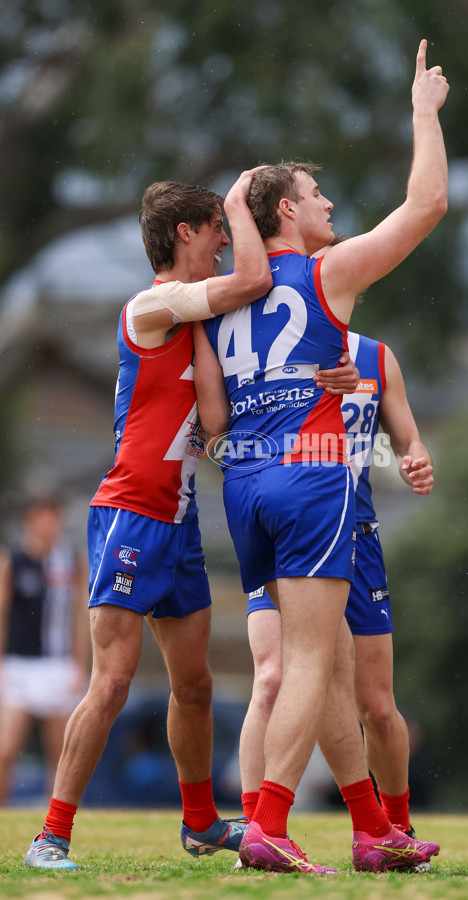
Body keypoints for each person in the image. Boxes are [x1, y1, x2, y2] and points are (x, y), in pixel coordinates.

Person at [199, 39, 448, 873]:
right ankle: (266, 822)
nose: (330, 202)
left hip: (243, 485)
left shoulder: (220, 298)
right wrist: (422, 113)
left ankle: (373, 829)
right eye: (315, 195)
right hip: (311, 480)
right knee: (311, 662)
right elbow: (426, 206)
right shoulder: (326, 274)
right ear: (285, 216)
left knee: (331, 665)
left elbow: (210, 414)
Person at [21, 168, 278, 871]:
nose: (225, 242)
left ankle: (199, 824)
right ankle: (51, 836)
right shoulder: (149, 306)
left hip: (180, 525)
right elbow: (253, 280)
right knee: (111, 682)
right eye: (217, 230)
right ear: (185, 233)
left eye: (229, 230)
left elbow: (217, 421)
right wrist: (240, 202)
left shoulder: (189, 318)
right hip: (130, 515)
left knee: (194, 685)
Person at [239, 330, 435, 853]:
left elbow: (406, 440)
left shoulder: (375, 356)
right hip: (289, 531)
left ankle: (395, 830)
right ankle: (255, 828)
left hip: (356, 535)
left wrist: (414, 457)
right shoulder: (267, 343)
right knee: (273, 677)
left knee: (375, 703)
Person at [0, 497, 89, 806]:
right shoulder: (13, 560)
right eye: (44, 518)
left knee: (62, 754)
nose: (50, 526)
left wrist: (80, 665)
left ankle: (53, 824)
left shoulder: (70, 562)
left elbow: (80, 617)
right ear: (30, 521)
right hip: (18, 665)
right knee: (6, 749)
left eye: (54, 519)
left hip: (58, 665)